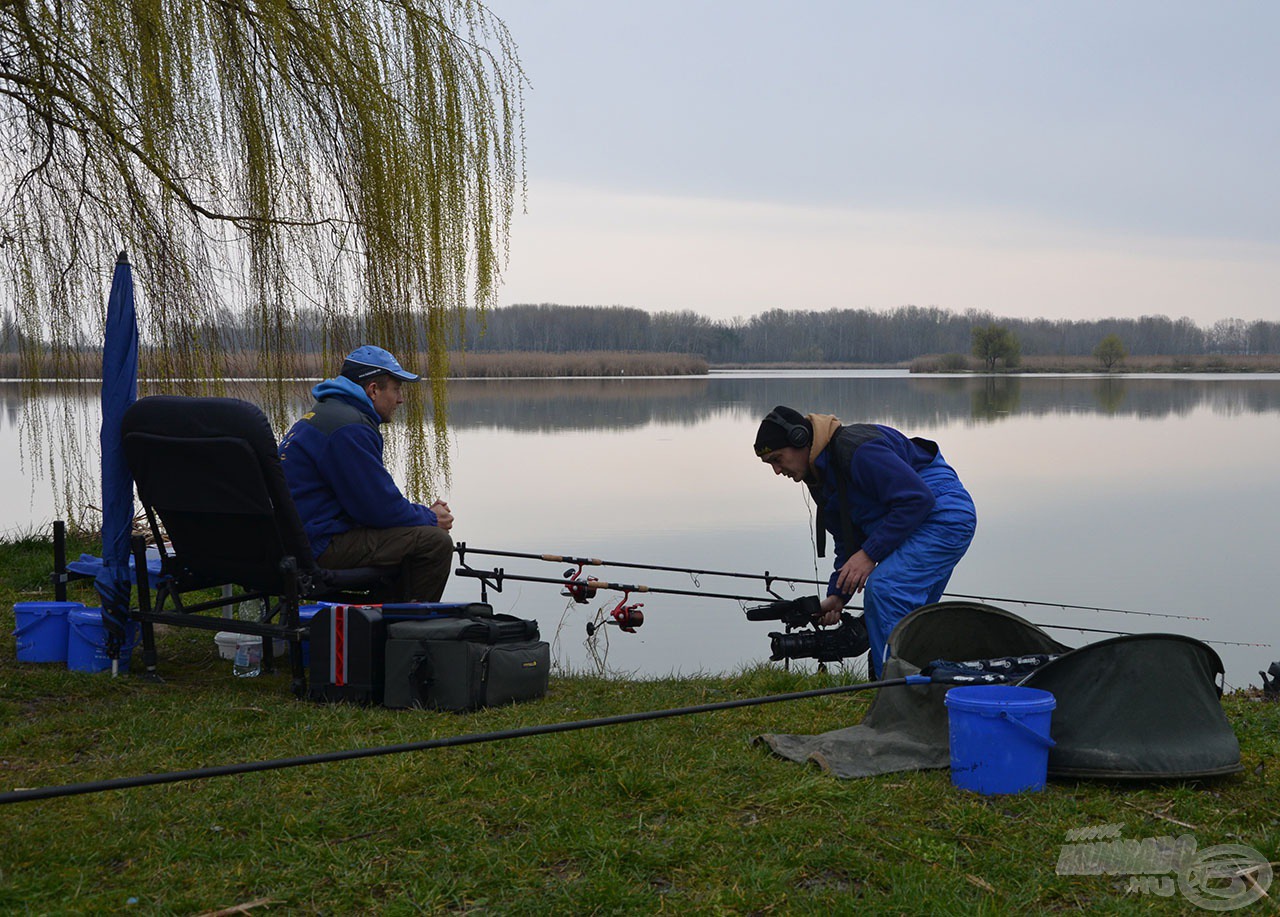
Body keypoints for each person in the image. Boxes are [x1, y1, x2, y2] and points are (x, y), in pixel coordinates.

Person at [754, 405, 976, 677]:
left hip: (944, 513)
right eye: (770, 465)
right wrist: (837, 596)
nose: (778, 471)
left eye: (778, 459)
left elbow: (918, 499)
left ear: (801, 440)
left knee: (885, 589)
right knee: (912, 619)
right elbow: (848, 541)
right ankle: (919, 689)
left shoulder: (857, 450)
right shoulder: (819, 476)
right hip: (914, 518)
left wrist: (870, 554)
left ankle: (893, 695)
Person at [279, 345, 454, 602]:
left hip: (294, 540)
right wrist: (429, 517)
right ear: (373, 390)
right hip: (317, 546)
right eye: (396, 389)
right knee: (434, 542)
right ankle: (404, 632)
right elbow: (379, 509)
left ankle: (377, 622)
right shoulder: (350, 428)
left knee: (408, 535)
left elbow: (369, 504)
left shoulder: (324, 415)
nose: (400, 399)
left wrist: (418, 517)